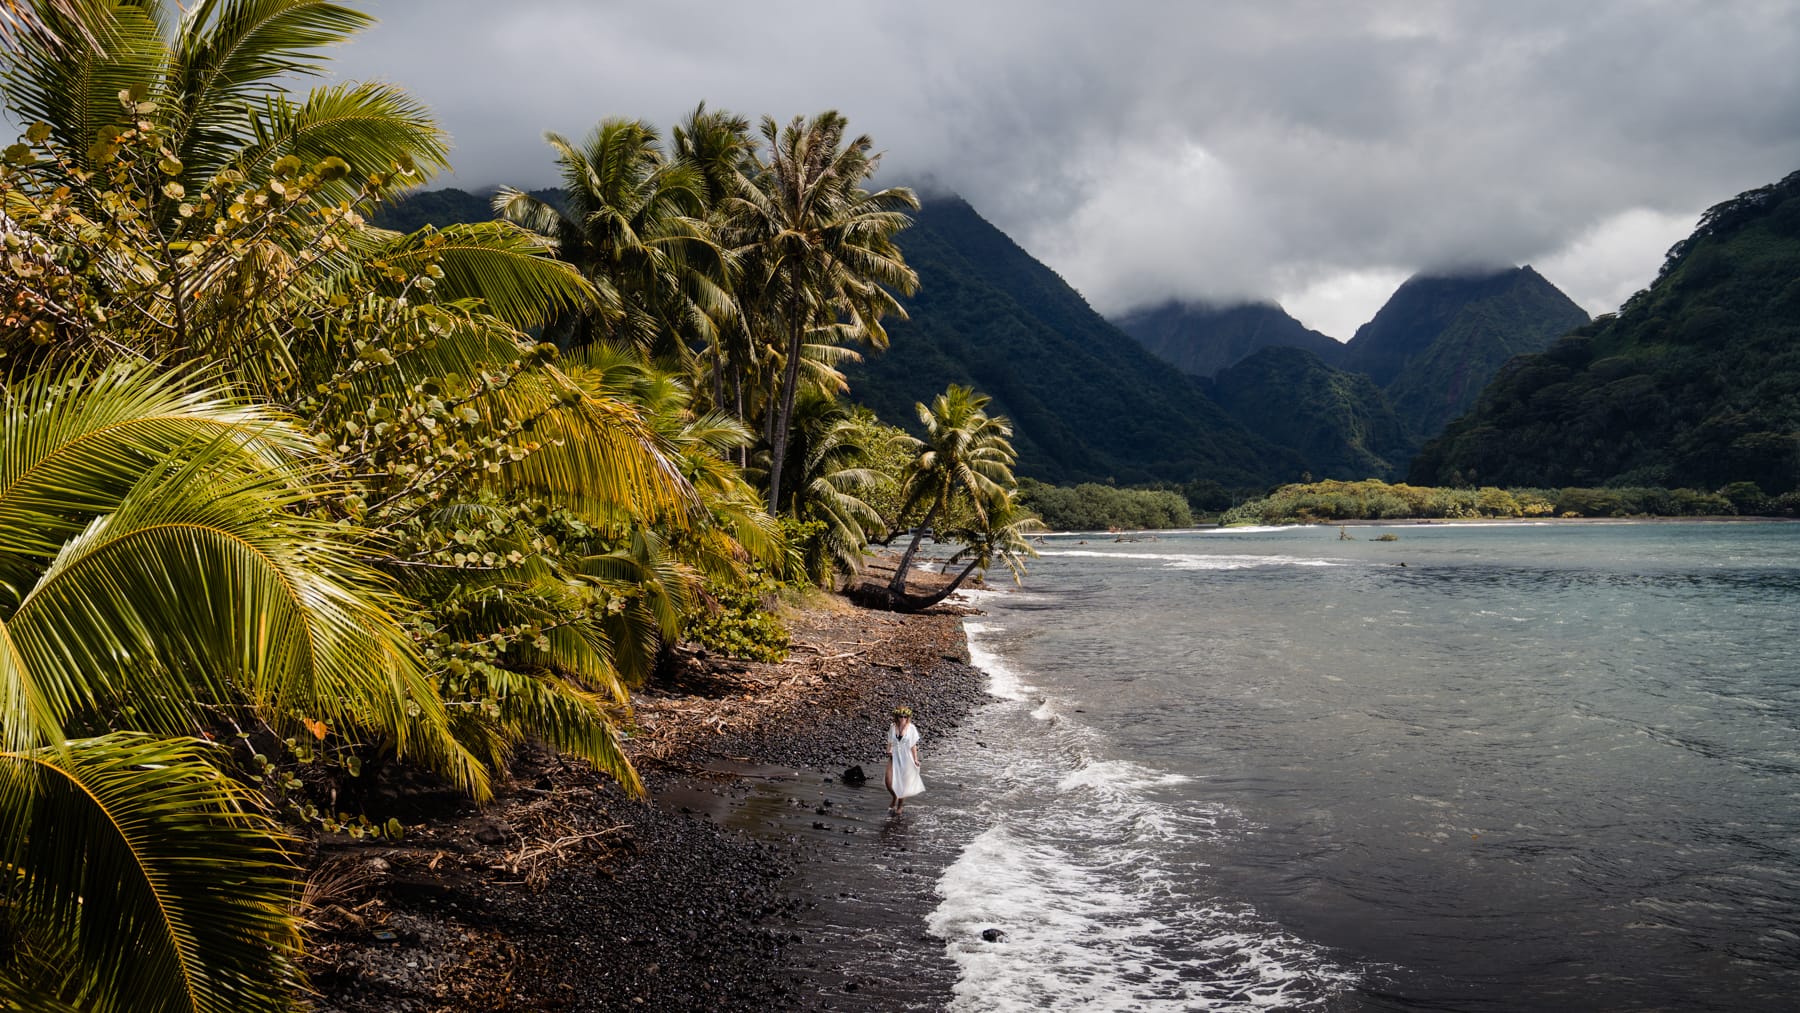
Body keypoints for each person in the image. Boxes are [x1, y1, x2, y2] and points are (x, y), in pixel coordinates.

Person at [885, 706, 924, 814]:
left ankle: (900, 806)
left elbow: (913, 745)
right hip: (894, 756)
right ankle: (894, 797)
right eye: (900, 716)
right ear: (896, 717)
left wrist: (915, 759)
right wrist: (888, 750)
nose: (902, 718)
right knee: (888, 781)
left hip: (906, 757)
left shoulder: (911, 728)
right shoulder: (892, 727)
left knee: (903, 783)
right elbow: (890, 741)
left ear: (908, 717)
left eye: (905, 716)